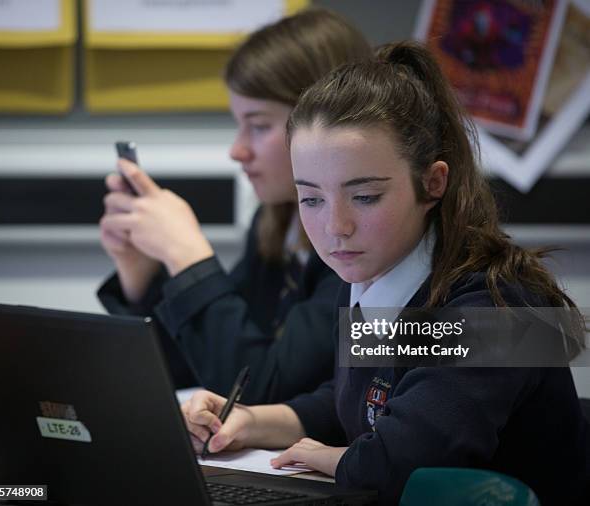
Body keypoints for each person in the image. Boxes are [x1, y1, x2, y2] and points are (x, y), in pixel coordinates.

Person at [182, 41, 590, 505]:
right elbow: (356, 402)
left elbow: (401, 462)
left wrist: (330, 459)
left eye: (365, 196)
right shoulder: (370, 275)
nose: (336, 227)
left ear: (433, 183)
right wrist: (252, 420)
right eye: (311, 198)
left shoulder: (496, 308)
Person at [97, 9, 373, 404]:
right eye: (238, 124)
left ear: (323, 124)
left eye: (258, 125)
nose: (237, 149)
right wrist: (141, 273)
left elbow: (257, 390)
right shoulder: (276, 223)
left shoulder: (356, 243)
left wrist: (187, 258)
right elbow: (204, 367)